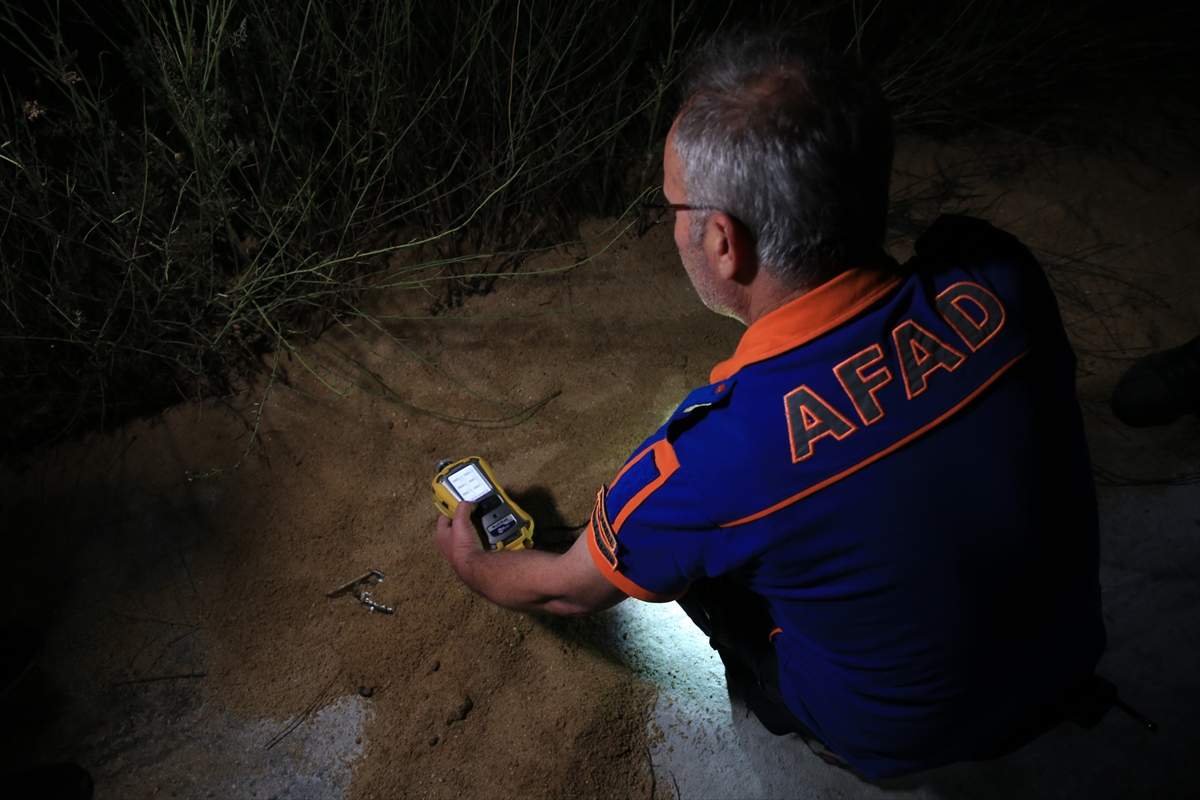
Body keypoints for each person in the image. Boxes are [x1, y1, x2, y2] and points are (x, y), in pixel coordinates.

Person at [435, 30, 1105, 779]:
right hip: (1070, 655)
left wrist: (474, 565)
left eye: (673, 206)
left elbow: (565, 592)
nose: (673, 226)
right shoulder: (1000, 275)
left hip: (901, 738)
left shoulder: (703, 462)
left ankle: (797, 711)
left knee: (705, 563)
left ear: (724, 240)